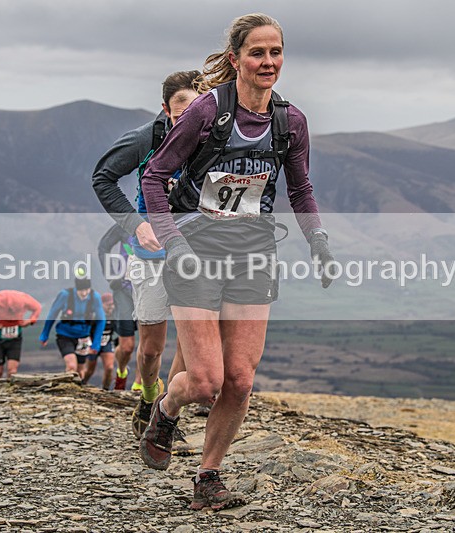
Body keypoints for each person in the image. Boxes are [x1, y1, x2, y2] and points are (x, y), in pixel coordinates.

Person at [139, 13, 335, 510]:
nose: (267, 62)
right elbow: (154, 176)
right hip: (196, 250)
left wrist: (318, 241)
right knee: (206, 381)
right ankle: (166, 407)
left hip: (253, 251)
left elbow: (301, 187)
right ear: (236, 60)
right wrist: (171, 240)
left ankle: (209, 476)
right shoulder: (206, 112)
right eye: (256, 53)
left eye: (275, 52)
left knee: (241, 378)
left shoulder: (290, 122)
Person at [92, 69, 199, 436]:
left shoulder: (214, 137)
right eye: (180, 111)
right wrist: (136, 225)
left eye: (197, 110)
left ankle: (165, 417)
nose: (188, 119)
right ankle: (148, 397)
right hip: (150, 256)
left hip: (194, 256)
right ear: (165, 109)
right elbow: (102, 177)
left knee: (189, 341)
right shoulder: (144, 139)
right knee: (151, 348)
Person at [39, 276, 106, 381]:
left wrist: (96, 342)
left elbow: (101, 320)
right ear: (76, 289)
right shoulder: (65, 295)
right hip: (65, 335)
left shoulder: (95, 297)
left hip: (83, 337)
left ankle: (79, 391)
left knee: (80, 371)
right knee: (71, 366)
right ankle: (68, 389)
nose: (84, 294)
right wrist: (45, 334)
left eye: (86, 291)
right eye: (81, 291)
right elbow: (52, 314)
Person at [96, 223, 138, 390]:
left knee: (150, 345)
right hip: (124, 291)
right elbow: (103, 246)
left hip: (151, 290)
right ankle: (121, 372)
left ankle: (140, 386)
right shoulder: (128, 222)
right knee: (127, 347)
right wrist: (111, 276)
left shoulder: (164, 218)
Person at [0, 290, 42, 379]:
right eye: (11, 310)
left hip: (15, 338)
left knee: (12, 371)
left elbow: (38, 307)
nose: (13, 312)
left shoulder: (25, 299)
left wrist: (30, 320)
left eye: (17, 310)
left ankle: (10, 390)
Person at [82, 292, 116, 389]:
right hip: (93, 344)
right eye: (108, 305)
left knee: (109, 367)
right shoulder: (93, 316)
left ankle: (106, 390)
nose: (111, 307)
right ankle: (82, 384)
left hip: (107, 343)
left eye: (112, 304)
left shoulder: (114, 315)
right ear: (102, 305)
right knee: (89, 370)